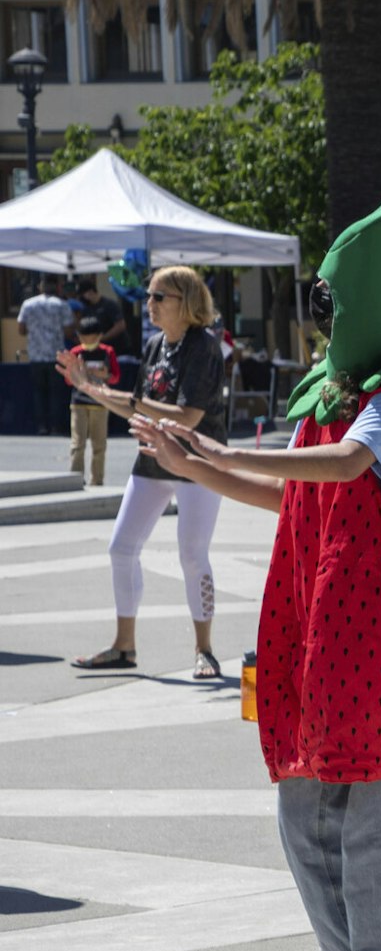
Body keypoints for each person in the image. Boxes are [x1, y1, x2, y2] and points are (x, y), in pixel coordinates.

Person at [128, 190, 381, 951]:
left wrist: (218, 448)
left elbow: (346, 461)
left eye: (333, 298)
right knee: (305, 801)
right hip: (329, 631)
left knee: (375, 809)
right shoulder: (336, 390)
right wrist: (197, 464)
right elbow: (294, 490)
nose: (322, 315)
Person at [59, 267, 229, 679]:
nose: (148, 304)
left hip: (195, 462)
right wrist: (94, 392)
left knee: (192, 555)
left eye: (158, 297)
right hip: (153, 457)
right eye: (149, 296)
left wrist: (119, 396)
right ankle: (124, 646)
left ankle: (203, 650)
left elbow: (188, 414)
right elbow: (136, 406)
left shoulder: (204, 347)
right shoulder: (154, 345)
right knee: (121, 547)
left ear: (185, 302)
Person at [66, 315, 122, 486]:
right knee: (77, 444)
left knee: (99, 445)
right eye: (84, 338)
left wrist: (105, 375)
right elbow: (68, 380)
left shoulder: (107, 351)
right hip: (79, 402)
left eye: (92, 338)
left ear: (99, 336)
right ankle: (75, 480)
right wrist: (78, 374)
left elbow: (115, 377)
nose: (88, 342)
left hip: (100, 403)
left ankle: (97, 481)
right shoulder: (75, 352)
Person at [20, 275, 74, 436]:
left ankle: (42, 426)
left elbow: (21, 330)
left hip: (36, 354)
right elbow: (69, 331)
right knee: (56, 393)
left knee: (39, 392)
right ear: (57, 287)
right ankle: (56, 426)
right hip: (56, 354)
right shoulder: (62, 305)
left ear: (40, 287)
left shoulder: (28, 304)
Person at [77, 279, 129, 351]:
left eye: (83, 294)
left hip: (116, 347)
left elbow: (120, 325)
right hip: (97, 348)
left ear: (90, 292)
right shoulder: (87, 308)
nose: (82, 298)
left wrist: (103, 338)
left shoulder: (109, 305)